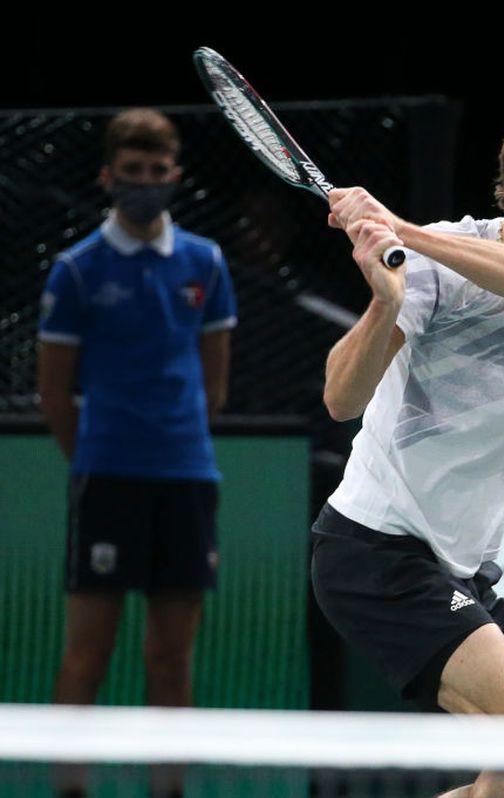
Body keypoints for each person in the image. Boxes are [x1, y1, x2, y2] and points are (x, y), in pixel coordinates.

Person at [311, 101, 504, 798]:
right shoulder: (436, 263)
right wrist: (385, 302)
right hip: (375, 550)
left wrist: (400, 230)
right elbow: (341, 399)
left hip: (461, 567)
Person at [37, 108, 236, 795]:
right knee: (87, 658)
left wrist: (175, 440)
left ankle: (168, 793)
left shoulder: (205, 263)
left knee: (170, 661)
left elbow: (215, 382)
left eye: (157, 172)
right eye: (132, 172)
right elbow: (54, 395)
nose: (145, 183)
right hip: (107, 482)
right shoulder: (75, 272)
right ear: (107, 178)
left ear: (175, 177)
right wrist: (96, 456)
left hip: (186, 480)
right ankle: (69, 791)